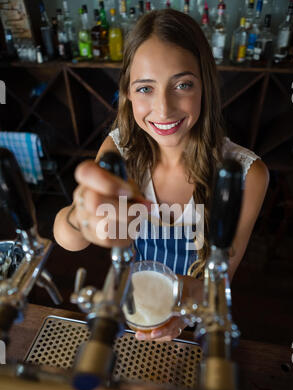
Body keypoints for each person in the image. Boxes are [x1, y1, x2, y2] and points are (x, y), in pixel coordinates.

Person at [54, 9, 269, 342]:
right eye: (145, 89)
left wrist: (182, 315)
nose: (164, 109)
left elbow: (221, 278)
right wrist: (80, 215)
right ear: (126, 92)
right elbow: (67, 241)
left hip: (195, 313)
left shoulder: (247, 175)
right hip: (134, 300)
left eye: (182, 84)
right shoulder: (120, 150)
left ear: (205, 87)